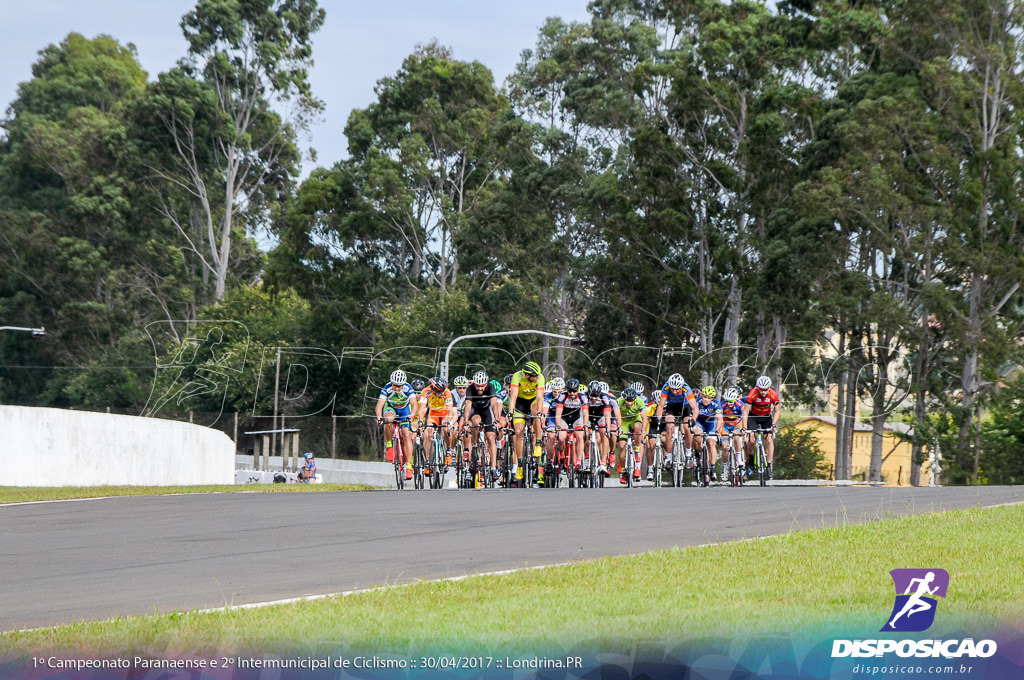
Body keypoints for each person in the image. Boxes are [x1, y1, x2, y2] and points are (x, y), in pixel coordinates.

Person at [375, 369, 418, 480]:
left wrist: (412, 415)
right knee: (389, 419)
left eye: (400, 386)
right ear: (392, 383)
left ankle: (409, 466)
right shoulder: (387, 388)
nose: (397, 388)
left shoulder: (408, 388)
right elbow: (380, 404)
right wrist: (379, 416)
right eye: (395, 385)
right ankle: (389, 445)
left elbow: (414, 404)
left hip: (404, 410)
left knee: (407, 435)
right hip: (391, 408)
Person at [508, 361, 546, 481]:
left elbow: (540, 397)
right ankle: (519, 464)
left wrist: (540, 411)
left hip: (534, 401)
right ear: (527, 376)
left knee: (536, 413)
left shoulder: (540, 378)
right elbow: (513, 396)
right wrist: (510, 412)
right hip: (520, 403)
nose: (538, 377)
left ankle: (538, 443)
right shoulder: (517, 376)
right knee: (518, 432)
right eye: (535, 376)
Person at [463, 370, 502, 482]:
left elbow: (494, 404)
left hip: (487, 412)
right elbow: (468, 406)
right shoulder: (470, 389)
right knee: (475, 421)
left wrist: (497, 419)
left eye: (482, 386)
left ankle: (493, 468)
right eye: (477, 386)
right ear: (474, 384)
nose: (480, 389)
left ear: (486, 384)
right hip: (475, 411)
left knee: (491, 437)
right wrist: (466, 422)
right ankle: (474, 445)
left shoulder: (490, 388)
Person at [653, 372, 699, 468]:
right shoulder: (666, 387)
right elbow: (661, 406)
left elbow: (695, 408)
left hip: (685, 406)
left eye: (677, 389)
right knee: (669, 425)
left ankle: (688, 454)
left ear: (681, 387)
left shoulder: (686, 388)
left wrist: (693, 419)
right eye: (672, 389)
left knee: (687, 426)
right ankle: (669, 457)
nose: (674, 391)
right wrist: (658, 418)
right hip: (672, 406)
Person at [741, 375, 782, 479]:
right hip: (753, 417)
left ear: (769, 388)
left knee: (769, 440)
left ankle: (769, 466)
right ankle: (750, 459)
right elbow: (745, 411)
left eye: (765, 390)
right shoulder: (752, 394)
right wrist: (744, 427)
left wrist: (773, 424)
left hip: (766, 417)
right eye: (761, 390)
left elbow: (777, 410)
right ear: (757, 388)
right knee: (750, 440)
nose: (763, 392)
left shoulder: (773, 394)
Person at [553, 378, 589, 472]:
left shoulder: (583, 397)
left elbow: (585, 413)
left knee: (580, 437)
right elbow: (558, 413)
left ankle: (578, 461)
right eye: (570, 391)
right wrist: (557, 425)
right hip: (564, 418)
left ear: (578, 390)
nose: (572, 393)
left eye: (574, 391)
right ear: (567, 390)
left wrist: (585, 425)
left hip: (576, 419)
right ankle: (562, 456)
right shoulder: (562, 396)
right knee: (561, 438)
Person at [692, 386, 724, 485]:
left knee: (711, 443)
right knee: (697, 435)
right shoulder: (697, 402)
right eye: (705, 397)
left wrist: (718, 430)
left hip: (710, 423)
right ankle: (698, 452)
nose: (706, 400)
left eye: (709, 398)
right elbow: (693, 416)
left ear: (712, 398)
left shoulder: (716, 404)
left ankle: (713, 468)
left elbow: (719, 418)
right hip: (699, 422)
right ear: (702, 396)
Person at [418, 377, 458, 455]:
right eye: (439, 392)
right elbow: (422, 408)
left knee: (447, 429)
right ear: (433, 390)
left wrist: (449, 422)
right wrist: (420, 421)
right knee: (429, 432)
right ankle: (428, 460)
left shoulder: (447, 392)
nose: (441, 394)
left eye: (442, 391)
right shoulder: (425, 391)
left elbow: (450, 409)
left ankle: (449, 450)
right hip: (433, 414)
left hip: (444, 413)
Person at [616, 386, 647, 483]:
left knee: (638, 426)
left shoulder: (639, 401)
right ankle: (624, 472)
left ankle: (637, 450)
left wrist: (643, 430)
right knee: (621, 445)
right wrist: (618, 427)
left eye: (631, 401)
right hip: (623, 421)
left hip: (635, 419)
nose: (629, 403)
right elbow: (616, 415)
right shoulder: (619, 401)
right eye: (627, 400)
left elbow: (644, 418)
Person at [720, 385, 746, 482]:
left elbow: (744, 417)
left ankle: (739, 459)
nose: (729, 403)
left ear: (735, 399)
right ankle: (725, 468)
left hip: (736, 424)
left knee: (736, 436)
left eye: (731, 401)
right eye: (727, 401)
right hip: (725, 426)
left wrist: (743, 428)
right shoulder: (722, 405)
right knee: (725, 447)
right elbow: (719, 419)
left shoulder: (740, 405)